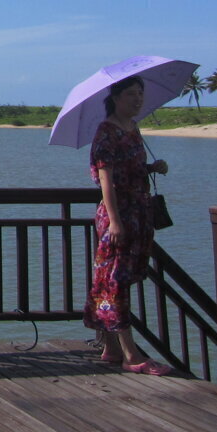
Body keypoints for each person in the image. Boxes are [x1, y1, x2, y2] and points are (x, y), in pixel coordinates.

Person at [81, 75, 173, 376]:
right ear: (116, 97)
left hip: (139, 212)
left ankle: (110, 347)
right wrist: (116, 222)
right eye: (132, 94)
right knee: (115, 279)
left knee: (118, 277)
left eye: (141, 94)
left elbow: (129, 169)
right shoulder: (105, 132)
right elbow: (106, 181)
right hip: (117, 214)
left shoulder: (133, 129)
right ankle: (131, 355)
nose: (138, 100)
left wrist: (152, 167)